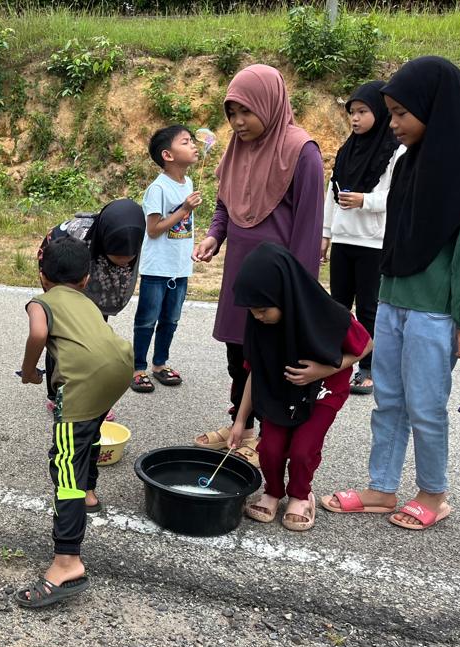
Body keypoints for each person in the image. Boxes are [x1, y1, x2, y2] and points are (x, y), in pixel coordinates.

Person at [322, 56, 460, 530]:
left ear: (435, 108)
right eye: (389, 113)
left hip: (436, 311)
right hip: (393, 299)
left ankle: (433, 493)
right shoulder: (409, 163)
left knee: (426, 407)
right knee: (388, 399)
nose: (392, 123)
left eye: (401, 113)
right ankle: (381, 487)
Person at [192, 64, 324, 465]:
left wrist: (295, 296)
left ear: (269, 103)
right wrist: (215, 235)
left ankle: (267, 437)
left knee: (271, 359)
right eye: (231, 113)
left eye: (246, 111)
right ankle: (242, 426)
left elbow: (307, 229)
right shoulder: (237, 147)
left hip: (279, 286)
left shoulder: (302, 151)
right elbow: (225, 203)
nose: (237, 122)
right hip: (241, 275)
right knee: (239, 356)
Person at [15, 236, 134, 608]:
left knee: (65, 464)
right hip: (120, 369)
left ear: (42, 275)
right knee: (91, 430)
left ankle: (67, 561)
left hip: (84, 380)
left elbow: (38, 333)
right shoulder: (87, 300)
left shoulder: (41, 302)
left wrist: (29, 371)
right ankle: (89, 492)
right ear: (86, 279)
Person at [230, 243, 372, 531]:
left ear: (283, 295)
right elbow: (255, 373)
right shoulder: (259, 324)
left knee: (302, 449)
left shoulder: (328, 314)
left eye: (262, 310)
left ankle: (300, 494)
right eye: (252, 311)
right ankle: (272, 491)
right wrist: (241, 421)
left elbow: (366, 345)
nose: (257, 316)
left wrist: (323, 370)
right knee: (270, 449)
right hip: (280, 392)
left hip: (323, 390)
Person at [321, 80, 405, 395]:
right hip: (344, 239)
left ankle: (367, 368)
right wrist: (325, 234)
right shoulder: (347, 150)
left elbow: (398, 196)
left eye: (362, 111)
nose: (355, 118)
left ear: (380, 113)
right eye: (352, 112)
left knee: (369, 308)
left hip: (373, 242)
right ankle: (334, 360)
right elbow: (332, 194)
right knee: (338, 305)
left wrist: (364, 201)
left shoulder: (396, 151)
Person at [39, 199, 144, 419]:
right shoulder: (77, 239)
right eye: (118, 258)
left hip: (95, 277)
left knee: (93, 336)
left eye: (128, 259)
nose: (124, 263)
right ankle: (57, 396)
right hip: (61, 270)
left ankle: (92, 396)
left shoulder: (129, 239)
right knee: (62, 335)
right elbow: (39, 333)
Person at [130, 124, 202, 394]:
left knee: (171, 320)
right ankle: (138, 368)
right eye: (185, 142)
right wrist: (184, 209)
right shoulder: (158, 189)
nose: (193, 145)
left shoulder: (189, 183)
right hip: (157, 268)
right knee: (147, 320)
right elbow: (153, 229)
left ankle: (159, 364)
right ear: (168, 155)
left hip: (180, 267)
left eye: (192, 140)